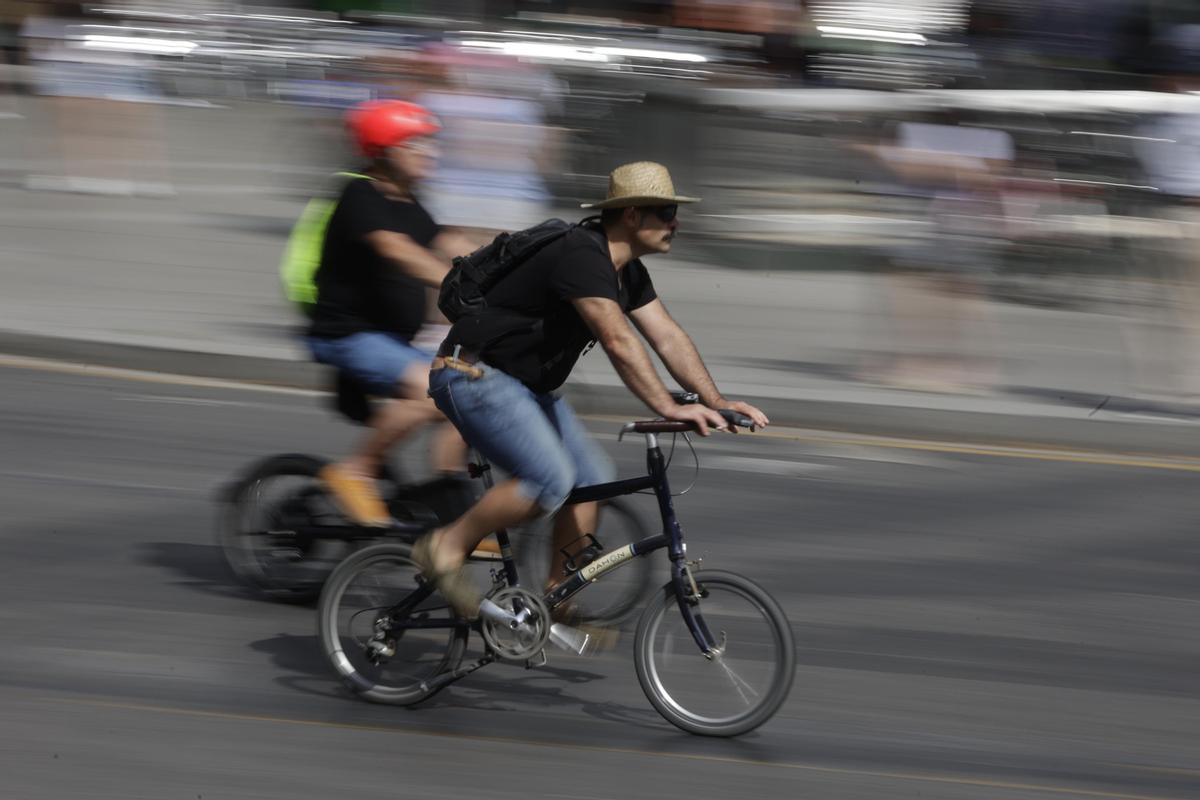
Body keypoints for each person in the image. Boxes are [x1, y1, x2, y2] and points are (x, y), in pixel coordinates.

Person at [416, 161, 770, 616]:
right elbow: (617, 338)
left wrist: (715, 400)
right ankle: (445, 546)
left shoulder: (628, 272)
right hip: (474, 376)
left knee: (595, 480)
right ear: (631, 215)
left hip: (524, 387)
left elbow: (666, 335)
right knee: (549, 482)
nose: (675, 222)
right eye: (665, 212)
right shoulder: (581, 254)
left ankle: (554, 598)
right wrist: (666, 404)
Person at [307, 99, 470, 526]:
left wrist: (518, 270)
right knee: (428, 390)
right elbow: (396, 250)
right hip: (347, 335)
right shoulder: (360, 194)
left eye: (430, 144)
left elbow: (454, 245)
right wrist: (453, 283)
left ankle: (447, 502)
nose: (429, 152)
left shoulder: (412, 202)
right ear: (385, 150)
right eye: (416, 144)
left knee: (468, 390)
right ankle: (356, 469)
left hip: (393, 342)